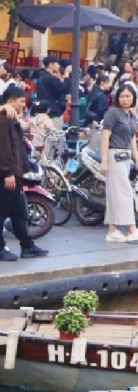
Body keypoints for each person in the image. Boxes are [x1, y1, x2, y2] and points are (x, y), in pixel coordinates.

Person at [0, 84, 49, 261]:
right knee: (3, 211)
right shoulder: (4, 119)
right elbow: (4, 148)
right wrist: (7, 173)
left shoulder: (10, 118)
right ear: (10, 101)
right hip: (7, 174)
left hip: (15, 172)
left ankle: (27, 245)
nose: (24, 105)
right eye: (21, 101)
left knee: (18, 211)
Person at [99, 83, 138, 244]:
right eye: (121, 96)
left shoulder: (131, 115)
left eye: (128, 96)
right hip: (114, 155)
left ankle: (113, 230)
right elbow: (105, 136)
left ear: (133, 98)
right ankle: (131, 229)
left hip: (125, 156)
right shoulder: (113, 113)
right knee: (124, 193)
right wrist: (104, 161)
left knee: (116, 194)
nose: (124, 99)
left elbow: (132, 140)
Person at [36, 58, 69, 128]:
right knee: (55, 135)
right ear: (50, 65)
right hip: (53, 111)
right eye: (57, 64)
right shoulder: (50, 78)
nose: (59, 66)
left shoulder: (41, 77)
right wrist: (66, 75)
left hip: (43, 110)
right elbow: (64, 89)